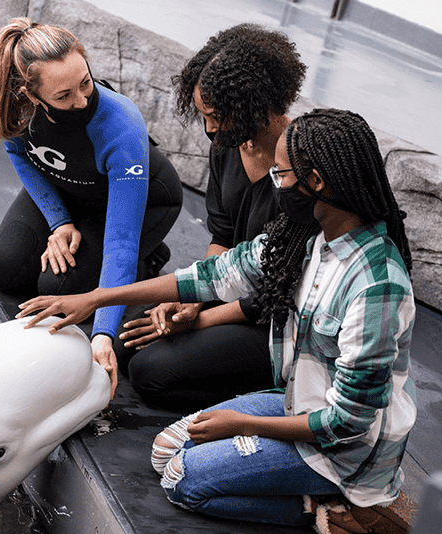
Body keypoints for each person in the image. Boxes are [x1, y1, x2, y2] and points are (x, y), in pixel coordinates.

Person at [17, 108, 417, 532]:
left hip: (346, 453)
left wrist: (244, 424)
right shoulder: (310, 240)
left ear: (316, 181)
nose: (275, 185)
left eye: (280, 175)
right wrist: (96, 298)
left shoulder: (377, 288)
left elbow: (348, 424)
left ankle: (337, 514)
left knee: (182, 480)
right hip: (299, 403)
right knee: (164, 449)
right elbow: (208, 277)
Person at [0, 18, 183, 398]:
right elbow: (23, 157)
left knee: (57, 288)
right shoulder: (15, 107)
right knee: (8, 268)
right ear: (31, 94)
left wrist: (103, 333)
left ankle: (150, 257)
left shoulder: (119, 125)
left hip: (141, 201)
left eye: (85, 83)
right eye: (64, 96)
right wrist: (59, 222)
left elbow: (120, 238)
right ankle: (84, 238)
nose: (82, 100)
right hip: (71, 189)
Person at [113, 24, 308, 411]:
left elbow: (275, 293)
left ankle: (268, 399)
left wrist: (200, 318)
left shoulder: (300, 167)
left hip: (272, 318)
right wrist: (190, 301)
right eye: (204, 115)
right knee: (124, 340)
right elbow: (222, 237)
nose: (210, 128)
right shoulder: (227, 145)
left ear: (256, 103)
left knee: (150, 372)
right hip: (229, 284)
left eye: (218, 115)